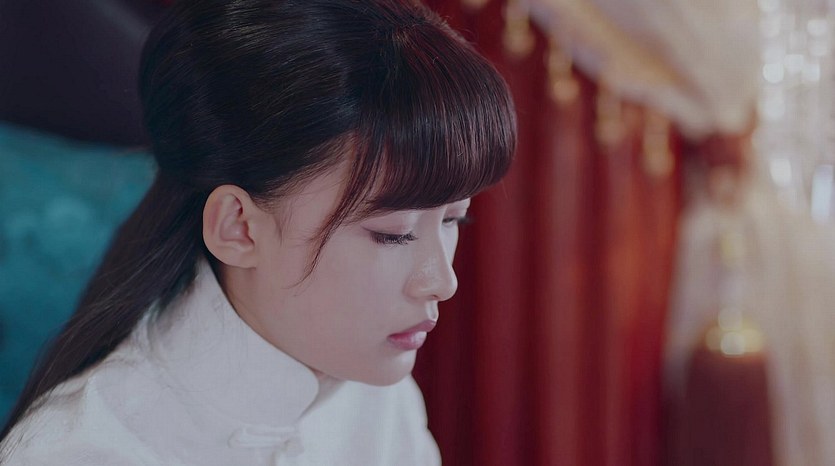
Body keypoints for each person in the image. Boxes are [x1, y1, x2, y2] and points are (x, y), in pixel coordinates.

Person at [0, 0, 516, 464]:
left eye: (453, 220)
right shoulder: (85, 450)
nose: (442, 281)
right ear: (239, 228)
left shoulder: (371, 382)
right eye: (393, 234)